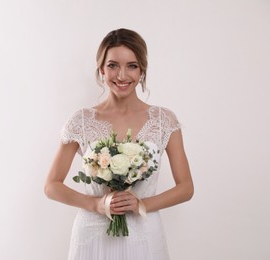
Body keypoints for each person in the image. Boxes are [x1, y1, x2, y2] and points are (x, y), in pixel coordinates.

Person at [44, 28, 194, 260]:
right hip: (92, 234)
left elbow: (185, 188)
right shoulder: (82, 120)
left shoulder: (164, 121)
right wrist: (96, 205)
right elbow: (52, 185)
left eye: (131, 65)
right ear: (101, 69)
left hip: (144, 234)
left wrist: (140, 204)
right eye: (113, 65)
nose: (122, 75)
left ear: (142, 70)